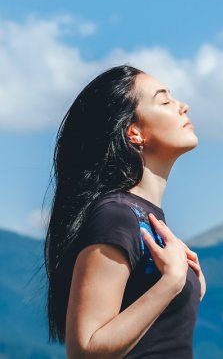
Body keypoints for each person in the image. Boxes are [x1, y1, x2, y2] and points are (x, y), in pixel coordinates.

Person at [43, 64, 206, 358]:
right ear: (134, 132)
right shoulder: (116, 215)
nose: (183, 106)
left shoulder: (145, 218)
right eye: (165, 101)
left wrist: (189, 287)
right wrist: (172, 283)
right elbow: (85, 349)